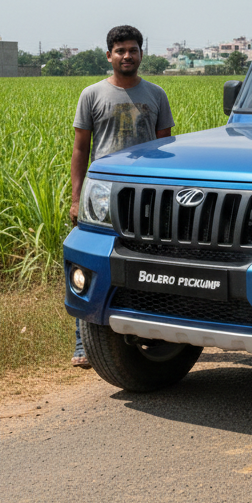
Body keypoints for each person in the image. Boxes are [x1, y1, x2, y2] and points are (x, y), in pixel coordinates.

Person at [69, 25, 174, 367]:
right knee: (94, 262)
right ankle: (84, 345)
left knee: (151, 263)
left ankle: (155, 334)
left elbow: (167, 147)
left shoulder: (156, 95)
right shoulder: (92, 94)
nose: (127, 55)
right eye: (120, 50)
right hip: (104, 197)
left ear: (141, 53)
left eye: (133, 49)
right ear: (109, 56)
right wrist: (76, 198)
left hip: (148, 197)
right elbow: (81, 149)